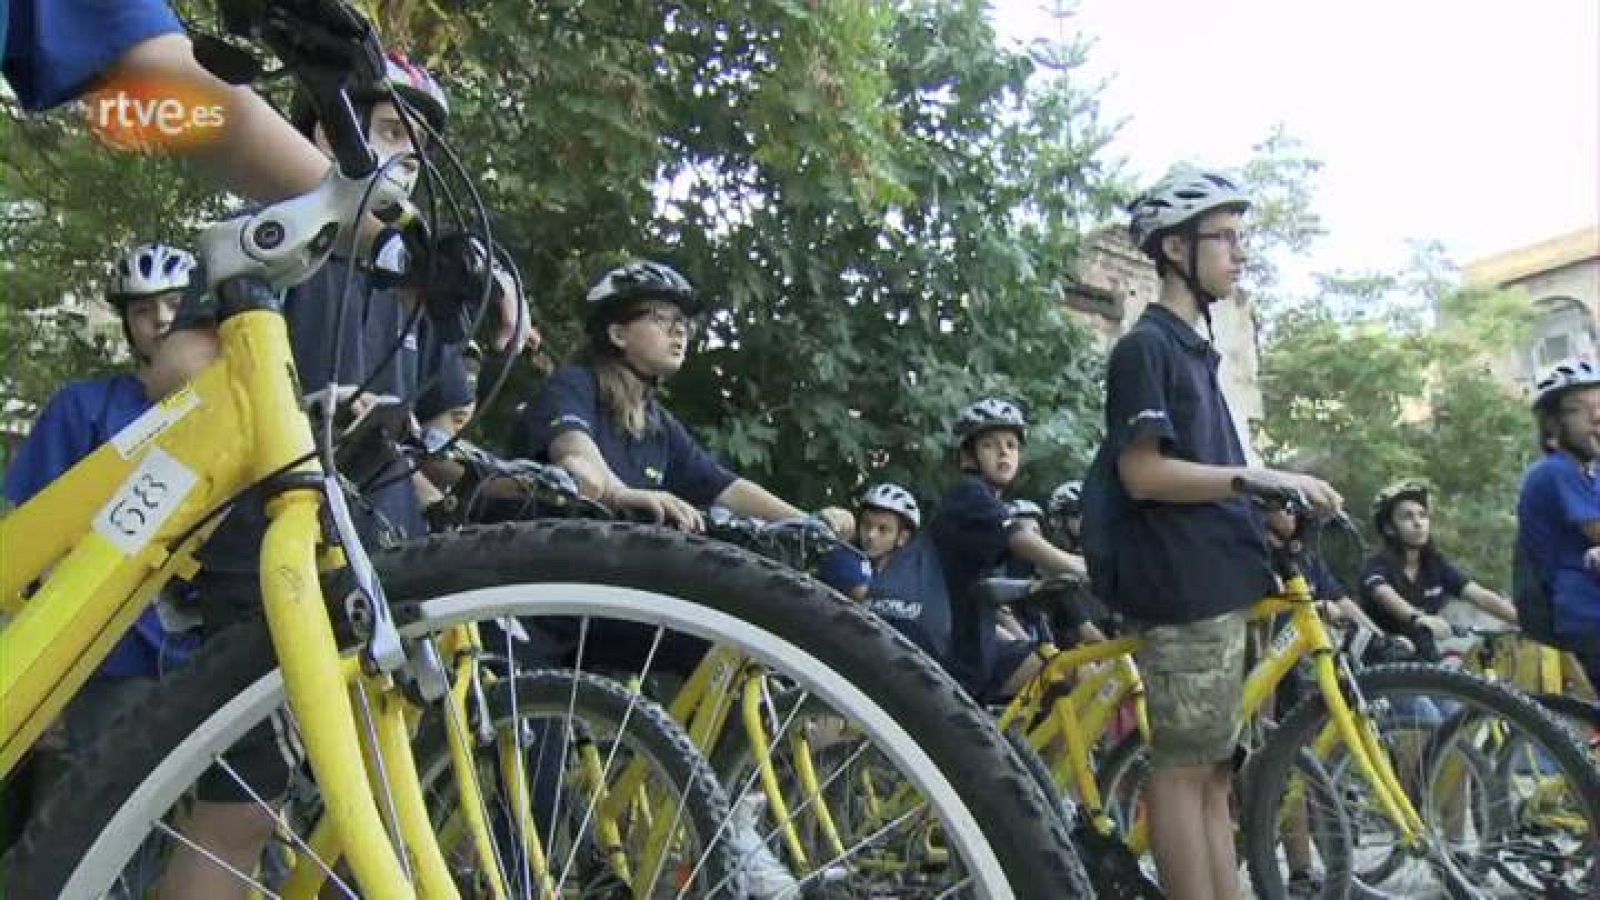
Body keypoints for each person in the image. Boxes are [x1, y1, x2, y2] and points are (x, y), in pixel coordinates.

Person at [1079, 165, 1342, 900]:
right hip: (1183, 588)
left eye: (1238, 237)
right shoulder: (1146, 349)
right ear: (1173, 249)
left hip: (1220, 580)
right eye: (1223, 237)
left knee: (1216, 767)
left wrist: (1267, 504)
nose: (1239, 252)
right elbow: (1144, 474)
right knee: (1183, 766)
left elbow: (1212, 473)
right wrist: (1252, 480)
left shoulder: (1197, 352)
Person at [513, 260, 849, 537]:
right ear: (617, 334)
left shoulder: (659, 425)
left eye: (683, 323)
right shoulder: (575, 384)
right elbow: (574, 454)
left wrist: (807, 522)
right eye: (661, 318)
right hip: (534, 575)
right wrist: (619, 494)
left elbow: (725, 488)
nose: (679, 331)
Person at [928, 398, 1098, 702]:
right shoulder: (969, 495)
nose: (1004, 452)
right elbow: (1020, 540)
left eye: (1011, 445)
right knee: (1073, 676)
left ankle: (1023, 748)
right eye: (990, 445)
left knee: (1072, 673)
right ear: (968, 457)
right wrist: (1083, 567)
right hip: (956, 651)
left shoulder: (983, 501)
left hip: (975, 642)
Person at [1359, 478, 1517, 660]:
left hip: (1423, 654)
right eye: (1407, 517)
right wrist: (1417, 618)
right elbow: (1384, 595)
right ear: (1389, 528)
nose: (1418, 523)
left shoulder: (1435, 564)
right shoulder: (1376, 565)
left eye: (1423, 515)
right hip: (1381, 657)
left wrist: (1528, 623)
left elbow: (1480, 596)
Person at [1516, 359, 1600, 686]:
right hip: (1586, 613)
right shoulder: (1556, 471)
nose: (1597, 416)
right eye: (1580, 410)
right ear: (1552, 427)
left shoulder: (1585, 476)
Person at [818, 483, 922, 601]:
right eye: (866, 525)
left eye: (883, 529)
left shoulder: (906, 573)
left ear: (903, 538)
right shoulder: (843, 557)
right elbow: (867, 598)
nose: (871, 535)